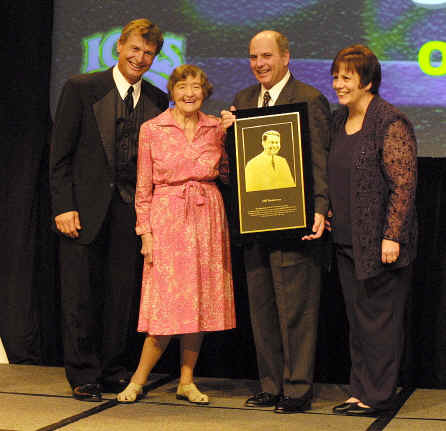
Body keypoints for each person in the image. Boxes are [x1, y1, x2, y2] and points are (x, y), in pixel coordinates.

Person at [50, 18, 169, 402]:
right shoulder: (82, 88)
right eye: (135, 49)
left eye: (148, 53)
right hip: (83, 209)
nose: (140, 57)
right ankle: (84, 373)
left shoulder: (156, 99)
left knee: (122, 295)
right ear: (119, 47)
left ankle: (114, 369)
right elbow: (60, 156)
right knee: (80, 293)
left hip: (129, 212)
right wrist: (64, 205)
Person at [221, 30, 331, 413]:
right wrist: (226, 139)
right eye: (253, 57)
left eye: (266, 56)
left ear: (286, 57)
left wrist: (319, 208)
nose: (259, 64)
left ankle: (297, 388)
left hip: (294, 223)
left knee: (295, 309)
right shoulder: (243, 101)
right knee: (262, 307)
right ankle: (270, 384)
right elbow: (236, 170)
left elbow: (318, 161)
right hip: (255, 224)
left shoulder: (309, 98)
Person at [117, 64, 236, 404]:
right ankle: (138, 380)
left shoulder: (217, 127)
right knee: (166, 306)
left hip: (207, 217)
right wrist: (146, 234)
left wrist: (237, 137)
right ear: (172, 91)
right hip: (168, 218)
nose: (189, 93)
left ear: (205, 91)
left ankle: (187, 380)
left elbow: (229, 176)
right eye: (182, 86)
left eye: (196, 86)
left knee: (197, 302)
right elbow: (143, 187)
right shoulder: (153, 129)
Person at [327, 45, 417, 416]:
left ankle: (377, 395)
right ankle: (359, 389)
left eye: (346, 77)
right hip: (346, 240)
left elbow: (403, 184)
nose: (338, 84)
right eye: (335, 76)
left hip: (381, 244)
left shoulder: (389, 121)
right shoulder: (337, 120)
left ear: (367, 81)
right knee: (358, 321)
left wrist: (391, 235)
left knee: (380, 322)